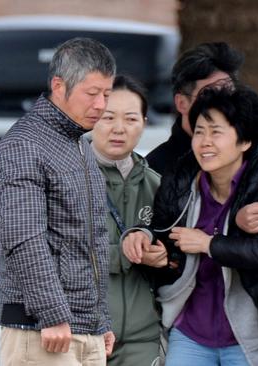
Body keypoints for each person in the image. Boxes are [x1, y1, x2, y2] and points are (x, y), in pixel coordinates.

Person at [123, 86, 258, 366]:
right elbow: (163, 230)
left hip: (252, 335)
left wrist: (207, 242)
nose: (205, 142)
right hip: (190, 330)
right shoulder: (183, 173)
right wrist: (144, 239)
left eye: (216, 132)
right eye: (199, 131)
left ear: (245, 141)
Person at [0, 37, 116, 366]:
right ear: (58, 85)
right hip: (41, 330)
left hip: (82, 330)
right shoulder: (23, 145)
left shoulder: (79, 144)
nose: (102, 105)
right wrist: (51, 315)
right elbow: (24, 238)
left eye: (106, 93)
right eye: (92, 93)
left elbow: (92, 241)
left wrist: (99, 321)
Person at [90, 74, 167, 366]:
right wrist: (124, 253)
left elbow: (178, 253)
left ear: (144, 122)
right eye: (108, 117)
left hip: (142, 338)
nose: (119, 129)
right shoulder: (67, 178)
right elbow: (59, 252)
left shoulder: (156, 185)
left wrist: (164, 256)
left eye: (131, 119)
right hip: (81, 333)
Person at [146, 42, 244, 176]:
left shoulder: (250, 157)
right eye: (209, 94)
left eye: (229, 94)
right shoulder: (154, 171)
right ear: (181, 103)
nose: (223, 103)